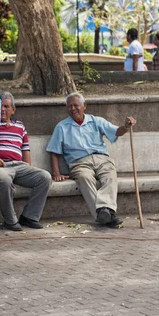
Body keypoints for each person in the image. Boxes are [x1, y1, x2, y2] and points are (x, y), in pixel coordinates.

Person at [46, 93, 136, 229]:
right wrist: (56, 173)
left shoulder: (96, 121)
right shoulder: (62, 127)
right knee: (84, 178)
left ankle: (104, 211)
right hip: (79, 163)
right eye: (69, 106)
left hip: (101, 158)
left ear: (84, 106)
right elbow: (54, 151)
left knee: (110, 175)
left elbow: (116, 131)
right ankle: (106, 214)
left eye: (76, 105)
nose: (72, 109)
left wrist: (126, 126)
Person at [0, 91, 52, 231]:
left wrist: (28, 168)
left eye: (6, 106)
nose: (2, 109)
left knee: (44, 177)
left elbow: (25, 150)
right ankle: (10, 221)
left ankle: (29, 217)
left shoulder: (20, 127)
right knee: (4, 180)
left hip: (19, 166)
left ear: (13, 110)